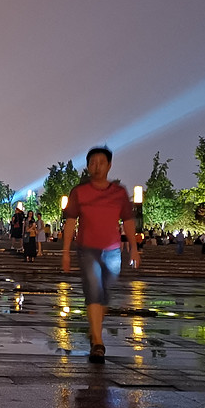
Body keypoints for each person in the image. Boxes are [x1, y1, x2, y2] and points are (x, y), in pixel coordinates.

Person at [61, 147, 140, 363]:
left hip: (113, 250)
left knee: (104, 294)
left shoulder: (119, 193)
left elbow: (128, 221)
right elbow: (70, 222)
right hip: (87, 249)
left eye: (101, 162)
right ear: (87, 166)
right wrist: (66, 252)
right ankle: (97, 341)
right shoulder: (79, 192)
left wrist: (133, 247)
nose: (97, 166)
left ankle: (95, 328)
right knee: (94, 291)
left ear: (109, 165)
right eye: (92, 162)